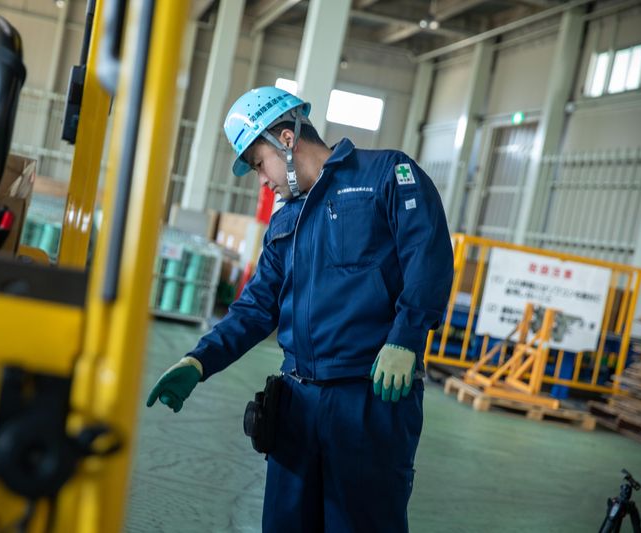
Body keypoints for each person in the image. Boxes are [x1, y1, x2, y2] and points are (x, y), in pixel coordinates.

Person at [146, 86, 454, 532]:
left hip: (369, 398)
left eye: (258, 164)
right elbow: (255, 307)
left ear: (286, 139)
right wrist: (199, 360)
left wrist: (406, 336)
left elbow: (429, 255)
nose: (262, 180)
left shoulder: (386, 174)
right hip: (298, 404)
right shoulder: (285, 221)